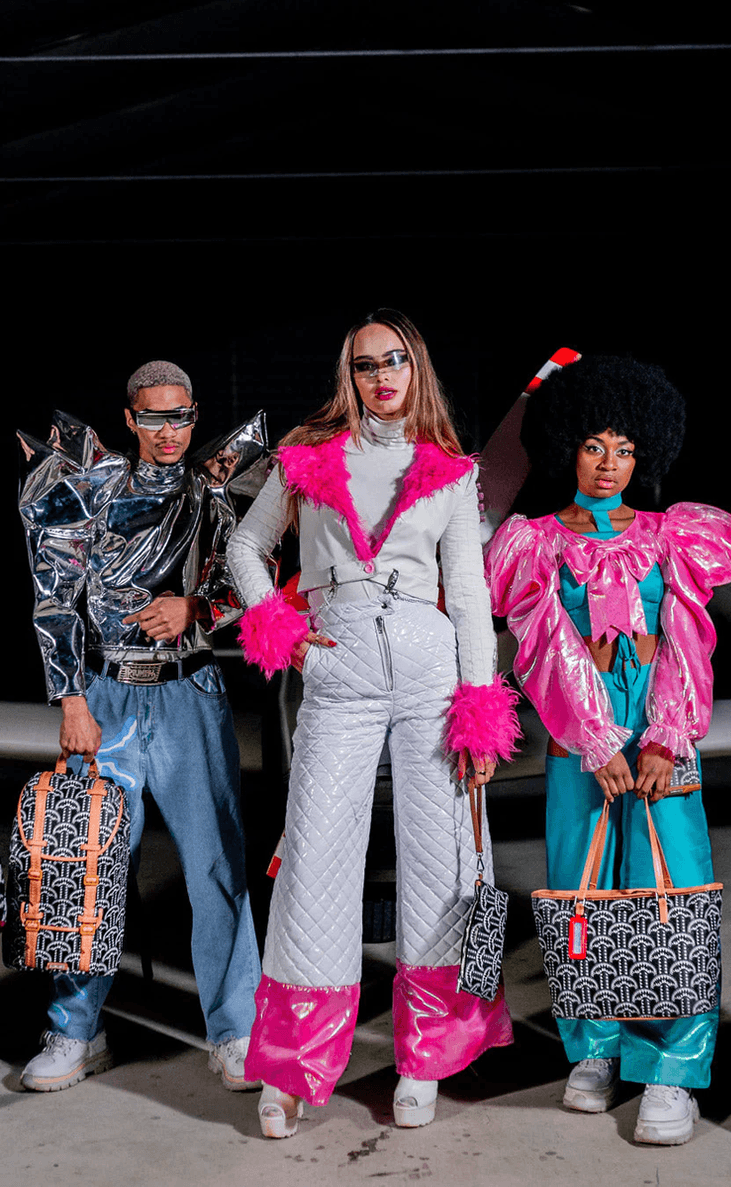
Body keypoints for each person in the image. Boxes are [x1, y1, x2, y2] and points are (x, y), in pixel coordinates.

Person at [226, 309, 518, 1139]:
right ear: (348, 376)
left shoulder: (450, 471)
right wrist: (280, 628)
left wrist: (479, 709)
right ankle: (291, 1066)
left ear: (415, 367)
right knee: (313, 862)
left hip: (431, 673)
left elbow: (469, 596)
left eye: (395, 360)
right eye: (366, 364)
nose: (382, 376)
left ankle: (426, 1058)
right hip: (340, 669)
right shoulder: (307, 458)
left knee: (443, 862)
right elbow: (246, 549)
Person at [485, 355, 731, 1146]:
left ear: (646, 454)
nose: (610, 462)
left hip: (663, 732)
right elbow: (540, 645)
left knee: (675, 887)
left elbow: (689, 638)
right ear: (567, 446)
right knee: (581, 890)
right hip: (580, 736)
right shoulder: (533, 542)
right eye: (595, 445)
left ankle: (673, 1066)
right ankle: (596, 1047)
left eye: (626, 448)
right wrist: (594, 739)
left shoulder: (671, 535)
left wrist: (667, 735)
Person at [16, 361, 265, 1092]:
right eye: (153, 417)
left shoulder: (213, 489)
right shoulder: (90, 486)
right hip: (106, 695)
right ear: (129, 418)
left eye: (179, 416)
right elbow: (55, 595)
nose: (168, 431)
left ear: (194, 415)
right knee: (84, 857)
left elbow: (252, 571)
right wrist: (70, 700)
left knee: (217, 864)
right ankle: (74, 1030)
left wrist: (197, 608)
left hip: (189, 690)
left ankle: (236, 1028)